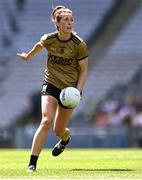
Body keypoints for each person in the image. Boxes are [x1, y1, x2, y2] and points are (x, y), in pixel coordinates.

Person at [17, 5, 88, 172]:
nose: (70, 23)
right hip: (51, 83)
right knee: (46, 120)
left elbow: (84, 70)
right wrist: (28, 56)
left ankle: (65, 139)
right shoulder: (49, 39)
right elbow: (39, 45)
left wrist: (78, 90)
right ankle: (32, 163)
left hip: (70, 89)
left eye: (71, 19)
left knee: (59, 130)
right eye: (65, 19)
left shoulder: (79, 44)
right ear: (57, 24)